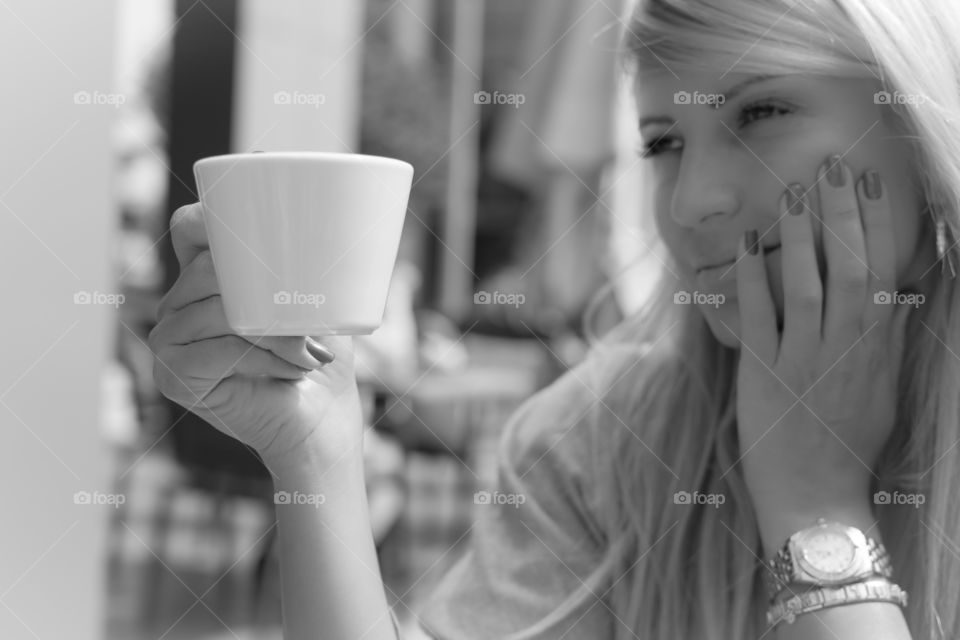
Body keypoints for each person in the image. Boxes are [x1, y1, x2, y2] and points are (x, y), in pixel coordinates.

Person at [147, 0, 960, 637]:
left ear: (922, 117)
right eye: (662, 141)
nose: (691, 201)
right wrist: (315, 456)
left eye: (761, 113)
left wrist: (815, 510)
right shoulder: (601, 439)